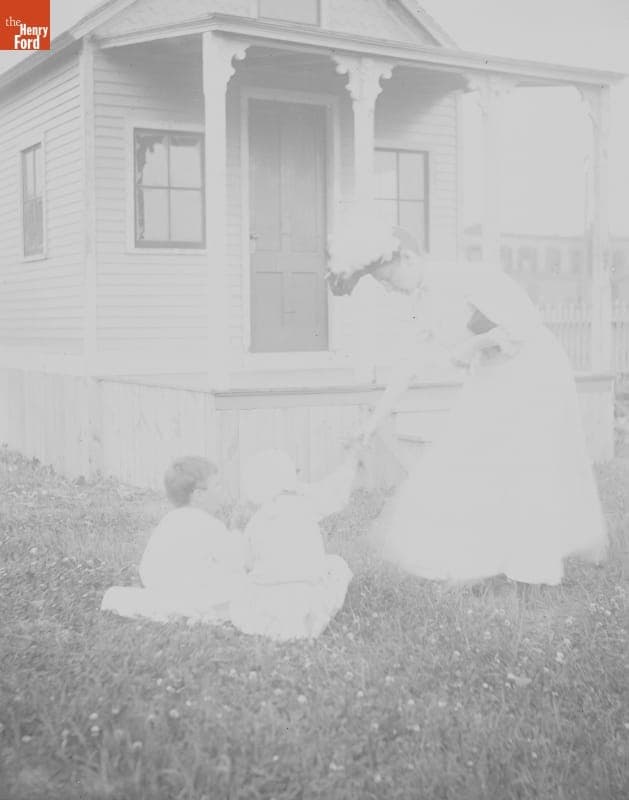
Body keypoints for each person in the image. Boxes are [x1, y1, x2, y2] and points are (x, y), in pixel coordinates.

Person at [327, 211, 608, 586]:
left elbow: (522, 325)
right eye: (382, 285)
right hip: (492, 373)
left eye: (388, 279)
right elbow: (407, 368)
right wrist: (372, 423)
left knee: (525, 463)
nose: (389, 289)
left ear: (408, 259)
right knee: (468, 458)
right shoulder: (422, 304)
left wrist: (471, 346)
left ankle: (531, 568)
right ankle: (480, 557)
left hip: (532, 370)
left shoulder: (467, 277)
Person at [229, 449, 356, 641]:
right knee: (337, 565)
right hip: (304, 609)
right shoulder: (306, 505)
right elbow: (335, 493)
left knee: (247, 582)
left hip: (265, 610)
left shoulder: (256, 521)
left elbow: (248, 563)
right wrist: (351, 462)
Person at [101, 456, 245, 622]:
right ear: (198, 495)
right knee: (241, 584)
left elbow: (147, 568)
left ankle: (168, 604)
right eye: (218, 486)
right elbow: (235, 560)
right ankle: (192, 608)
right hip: (193, 591)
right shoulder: (210, 525)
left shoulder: (168, 520)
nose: (223, 491)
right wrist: (238, 535)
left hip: (162, 589)